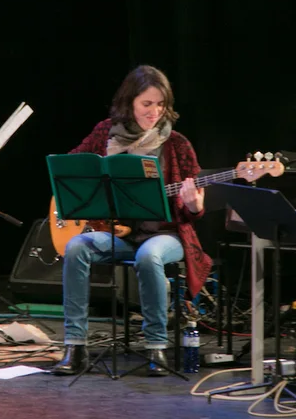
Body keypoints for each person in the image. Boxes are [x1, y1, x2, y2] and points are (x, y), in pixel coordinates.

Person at [51, 65, 213, 376]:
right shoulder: (105, 133)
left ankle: (156, 346)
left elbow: (193, 211)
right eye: (146, 104)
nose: (155, 112)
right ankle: (75, 346)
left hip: (166, 235)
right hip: (119, 234)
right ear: (129, 102)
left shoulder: (177, 143)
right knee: (76, 247)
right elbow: (72, 168)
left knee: (149, 255)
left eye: (161, 104)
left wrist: (194, 205)